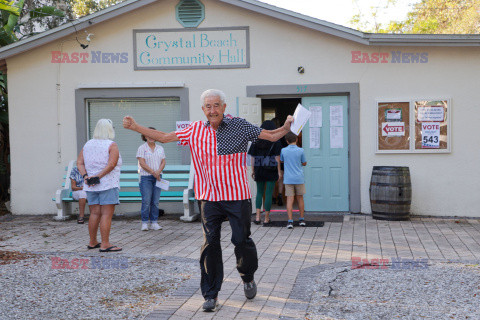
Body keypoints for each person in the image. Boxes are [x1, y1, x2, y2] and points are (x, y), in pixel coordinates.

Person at [123, 89, 293, 312]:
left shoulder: (239, 125)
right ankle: (211, 294)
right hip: (209, 197)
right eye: (208, 107)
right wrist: (136, 127)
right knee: (210, 244)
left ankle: (248, 276)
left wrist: (287, 127)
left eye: (216, 106)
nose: (212, 110)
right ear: (203, 110)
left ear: (223, 107)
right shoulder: (194, 130)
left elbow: (271, 136)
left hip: (237, 195)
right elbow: (164, 137)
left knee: (241, 240)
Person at [77, 119, 123, 252]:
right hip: (108, 184)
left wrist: (86, 176)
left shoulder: (87, 144)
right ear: (110, 129)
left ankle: (92, 242)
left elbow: (79, 163)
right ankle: (105, 244)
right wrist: (99, 176)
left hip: (91, 185)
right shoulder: (111, 145)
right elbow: (111, 164)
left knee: (94, 213)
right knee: (106, 214)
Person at [248, 120, 282, 225]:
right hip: (271, 169)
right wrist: (279, 171)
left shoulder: (256, 140)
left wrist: (253, 170)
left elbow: (252, 157)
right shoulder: (276, 140)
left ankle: (258, 217)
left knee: (259, 192)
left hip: (259, 168)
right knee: (268, 193)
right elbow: (277, 157)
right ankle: (266, 219)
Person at [137, 127, 166, 231]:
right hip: (146, 177)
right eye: (148, 134)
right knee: (146, 200)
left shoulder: (160, 148)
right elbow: (142, 163)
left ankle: (154, 222)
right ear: (144, 136)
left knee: (155, 201)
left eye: (153, 134)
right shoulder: (142, 148)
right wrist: (153, 172)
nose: (151, 137)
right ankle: (144, 223)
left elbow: (163, 162)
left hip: (158, 177)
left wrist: (158, 172)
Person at [280, 132, 307, 229]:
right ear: (296, 140)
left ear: (286, 141)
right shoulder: (301, 150)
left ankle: (290, 221)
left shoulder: (283, 150)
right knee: (300, 198)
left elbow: (282, 160)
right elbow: (304, 163)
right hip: (299, 178)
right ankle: (301, 219)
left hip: (288, 178)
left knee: (290, 199)